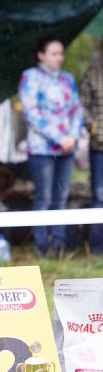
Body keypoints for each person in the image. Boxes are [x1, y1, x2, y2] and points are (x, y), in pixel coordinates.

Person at [18, 35, 84, 257]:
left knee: (61, 198)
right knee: (43, 198)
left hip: (67, 148)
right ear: (41, 55)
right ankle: (41, 246)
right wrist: (59, 137)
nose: (59, 57)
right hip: (41, 149)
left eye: (61, 53)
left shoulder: (67, 79)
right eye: (54, 53)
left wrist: (73, 137)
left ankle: (59, 245)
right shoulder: (31, 77)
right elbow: (32, 114)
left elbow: (77, 109)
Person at [79, 39, 103, 255]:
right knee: (99, 196)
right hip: (100, 145)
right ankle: (97, 247)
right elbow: (82, 105)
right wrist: (94, 128)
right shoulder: (93, 73)